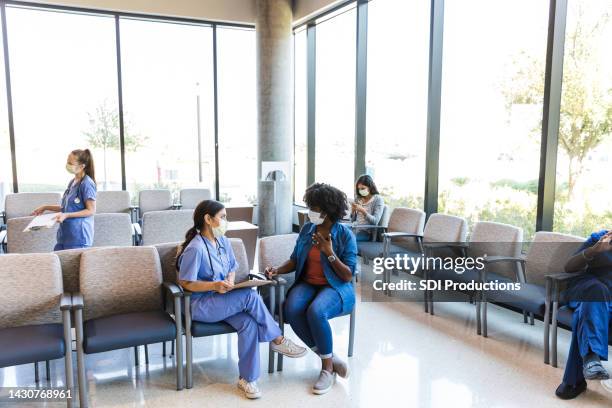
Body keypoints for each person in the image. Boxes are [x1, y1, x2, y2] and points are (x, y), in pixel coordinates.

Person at [176, 200, 306, 399]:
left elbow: (232, 267)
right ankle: (277, 339)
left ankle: (247, 379)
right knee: (249, 295)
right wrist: (213, 285)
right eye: (223, 217)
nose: (226, 221)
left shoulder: (223, 241)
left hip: (221, 301)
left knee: (249, 324)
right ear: (208, 219)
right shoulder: (196, 248)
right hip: (200, 304)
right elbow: (186, 283)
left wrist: (229, 279)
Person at [265, 183, 358, 395]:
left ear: (327, 211)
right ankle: (330, 358)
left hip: (335, 287)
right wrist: (277, 270)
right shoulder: (308, 229)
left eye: (314, 208)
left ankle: (326, 369)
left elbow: (347, 275)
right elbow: (295, 260)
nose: (310, 212)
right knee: (291, 308)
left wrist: (329, 252)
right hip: (308, 282)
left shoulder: (344, 235)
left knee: (316, 311)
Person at [555, 230, 612, 399]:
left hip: (603, 304)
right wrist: (594, 250)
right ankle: (588, 362)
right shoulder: (600, 238)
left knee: (584, 314)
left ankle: (577, 377)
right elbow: (569, 267)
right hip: (586, 289)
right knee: (595, 292)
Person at [32, 149, 97, 250]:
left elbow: (91, 210)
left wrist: (66, 215)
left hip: (79, 237)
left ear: (82, 166)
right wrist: (45, 207)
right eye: (67, 162)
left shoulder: (87, 184)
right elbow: (66, 208)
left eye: (71, 163)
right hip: (65, 235)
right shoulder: (72, 182)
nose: (67, 165)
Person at [350, 174, 385, 242]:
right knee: (336, 233)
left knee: (345, 239)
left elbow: (375, 222)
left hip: (366, 233)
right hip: (354, 228)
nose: (360, 191)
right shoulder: (358, 198)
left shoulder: (378, 199)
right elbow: (352, 220)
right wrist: (353, 211)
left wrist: (363, 211)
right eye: (359, 189)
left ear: (370, 187)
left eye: (363, 188)